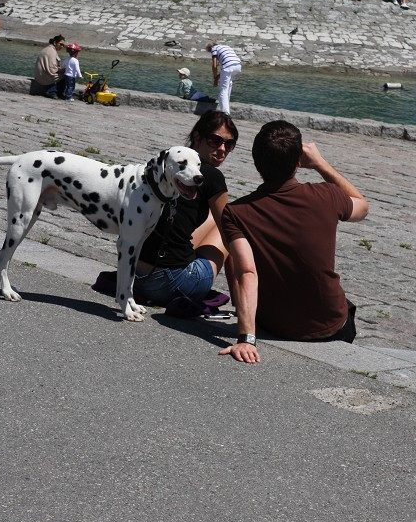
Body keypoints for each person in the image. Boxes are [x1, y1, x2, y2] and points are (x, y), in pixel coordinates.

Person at [219, 121, 369, 364]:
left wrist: (246, 339)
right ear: (299, 160)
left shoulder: (237, 213)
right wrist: (321, 163)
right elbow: (362, 207)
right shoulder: (327, 195)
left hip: (278, 325)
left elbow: (247, 272)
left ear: (256, 162)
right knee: (344, 305)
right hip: (331, 325)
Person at [92, 111, 239, 307]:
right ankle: (239, 299)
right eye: (215, 141)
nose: (222, 149)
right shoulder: (211, 176)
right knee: (227, 228)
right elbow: (231, 237)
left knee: (213, 219)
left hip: (133, 276)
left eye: (229, 144)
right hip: (172, 282)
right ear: (197, 136)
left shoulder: (165, 164)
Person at [207, 41, 241, 115]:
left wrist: (215, 77)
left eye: (209, 51)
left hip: (228, 66)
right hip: (238, 65)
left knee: (223, 90)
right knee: (229, 84)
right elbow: (224, 70)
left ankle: (226, 114)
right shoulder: (226, 47)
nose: (211, 53)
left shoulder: (214, 49)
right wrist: (217, 78)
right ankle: (226, 105)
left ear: (210, 48)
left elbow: (214, 65)